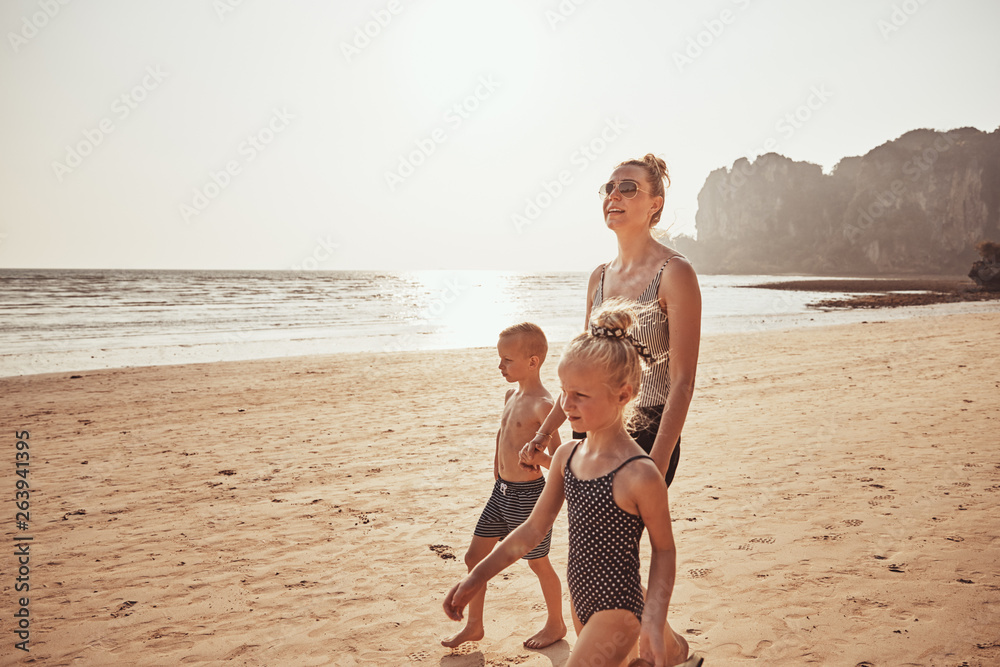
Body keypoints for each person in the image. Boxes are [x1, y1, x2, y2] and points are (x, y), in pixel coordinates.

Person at [445, 303, 696, 666]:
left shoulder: (640, 473)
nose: (567, 403)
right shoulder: (566, 456)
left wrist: (654, 621)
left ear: (623, 395)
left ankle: (667, 644)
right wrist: (476, 577)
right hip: (582, 599)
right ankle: (677, 653)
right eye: (565, 390)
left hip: (619, 605)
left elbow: (665, 551)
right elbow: (531, 529)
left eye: (581, 394)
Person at [523, 153, 701, 486]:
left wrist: (656, 466)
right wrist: (544, 434)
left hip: (644, 435)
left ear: (655, 204)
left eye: (629, 188)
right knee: (589, 537)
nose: (614, 195)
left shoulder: (675, 273)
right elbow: (581, 370)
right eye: (610, 187)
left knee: (621, 538)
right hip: (587, 429)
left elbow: (683, 383)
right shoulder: (599, 277)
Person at [441, 322, 566, 650]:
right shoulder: (511, 394)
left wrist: (538, 461)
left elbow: (561, 463)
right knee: (473, 557)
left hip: (529, 496)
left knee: (538, 563)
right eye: (500, 358)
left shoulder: (544, 405)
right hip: (501, 493)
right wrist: (496, 465)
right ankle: (475, 625)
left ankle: (556, 623)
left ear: (533, 362)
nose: (500, 365)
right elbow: (504, 432)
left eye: (507, 360)